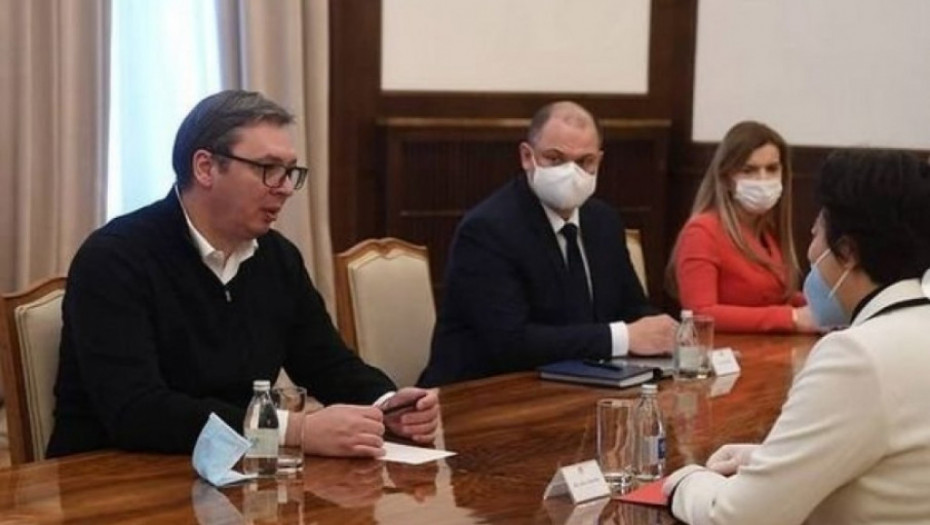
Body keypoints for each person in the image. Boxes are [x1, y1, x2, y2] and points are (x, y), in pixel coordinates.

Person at [46, 90, 439, 458]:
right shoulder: (115, 257)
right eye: (268, 169)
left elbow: (327, 363)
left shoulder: (277, 257)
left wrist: (387, 405)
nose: (284, 188)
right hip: (112, 479)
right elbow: (137, 411)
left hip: (238, 473)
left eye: (290, 172)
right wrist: (293, 430)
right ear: (205, 168)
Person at [663, 149, 930, 524]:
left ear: (847, 251)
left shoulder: (855, 356)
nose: (811, 249)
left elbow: (740, 518)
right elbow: (890, 459)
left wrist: (686, 481)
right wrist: (772, 461)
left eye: (816, 232)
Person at [418, 101, 677, 387]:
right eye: (555, 159)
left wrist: (667, 333)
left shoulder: (603, 221)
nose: (571, 172)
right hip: (480, 393)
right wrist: (622, 337)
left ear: (599, 162)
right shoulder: (488, 229)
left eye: (585, 162)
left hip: (582, 387)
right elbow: (511, 343)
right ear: (527, 157)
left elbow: (632, 308)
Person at [668, 121, 817, 333]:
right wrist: (791, 318)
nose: (763, 179)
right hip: (724, 350)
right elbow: (699, 313)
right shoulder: (702, 231)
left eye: (772, 168)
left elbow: (772, 295)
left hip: (769, 348)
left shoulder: (767, 231)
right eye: (749, 170)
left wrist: (818, 308)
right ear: (726, 177)